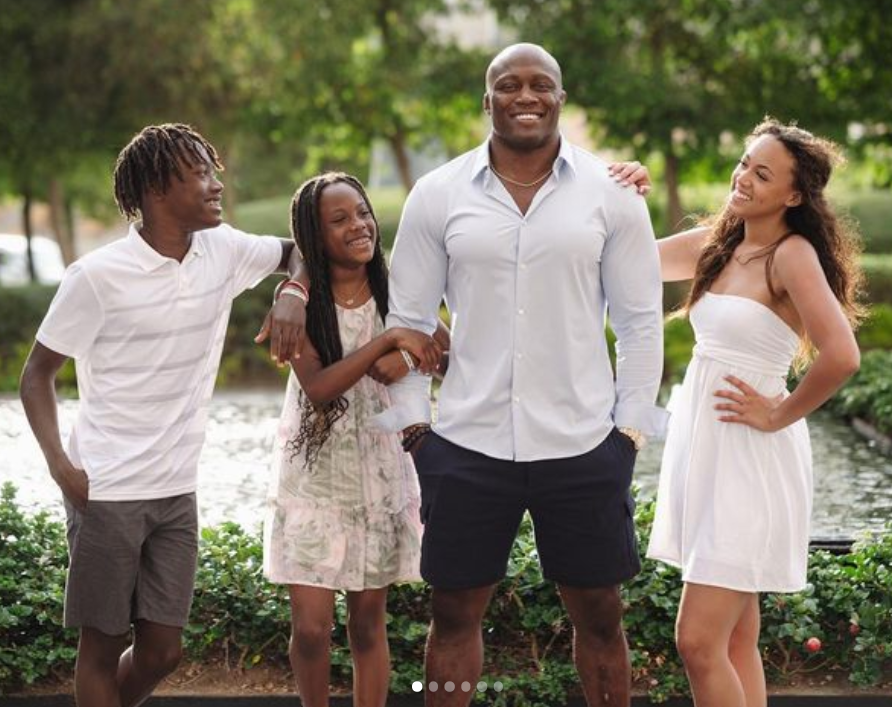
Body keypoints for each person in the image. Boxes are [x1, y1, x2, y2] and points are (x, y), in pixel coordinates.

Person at [381, 43, 666, 707]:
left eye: (542, 84)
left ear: (561, 97)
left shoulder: (611, 196)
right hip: (466, 442)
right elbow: (406, 322)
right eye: (509, 85)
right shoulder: (437, 193)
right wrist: (416, 428)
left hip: (583, 442)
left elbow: (640, 323)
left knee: (600, 612)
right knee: (452, 613)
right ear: (488, 100)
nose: (526, 96)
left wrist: (628, 431)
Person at [19, 123, 308, 707]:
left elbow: (300, 252)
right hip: (106, 485)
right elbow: (36, 377)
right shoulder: (96, 278)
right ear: (155, 189)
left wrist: (292, 293)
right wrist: (59, 467)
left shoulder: (222, 249)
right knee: (101, 647)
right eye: (198, 172)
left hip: (177, 487)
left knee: (164, 651)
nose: (215, 182)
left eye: (212, 169)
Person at [642, 119, 863, 707]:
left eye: (762, 174)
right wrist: (620, 190)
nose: (743, 178)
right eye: (745, 163)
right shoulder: (722, 242)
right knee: (737, 640)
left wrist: (778, 413)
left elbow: (842, 356)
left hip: (750, 460)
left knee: (696, 641)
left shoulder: (790, 255)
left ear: (793, 195)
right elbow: (626, 258)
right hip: (707, 452)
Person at [262, 172, 446, 707]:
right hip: (313, 477)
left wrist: (411, 354)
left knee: (368, 626)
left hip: (380, 472)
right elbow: (319, 389)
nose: (359, 226)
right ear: (315, 238)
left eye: (362, 213)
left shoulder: (400, 291)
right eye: (339, 220)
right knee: (313, 629)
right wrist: (387, 340)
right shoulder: (296, 304)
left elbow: (450, 354)